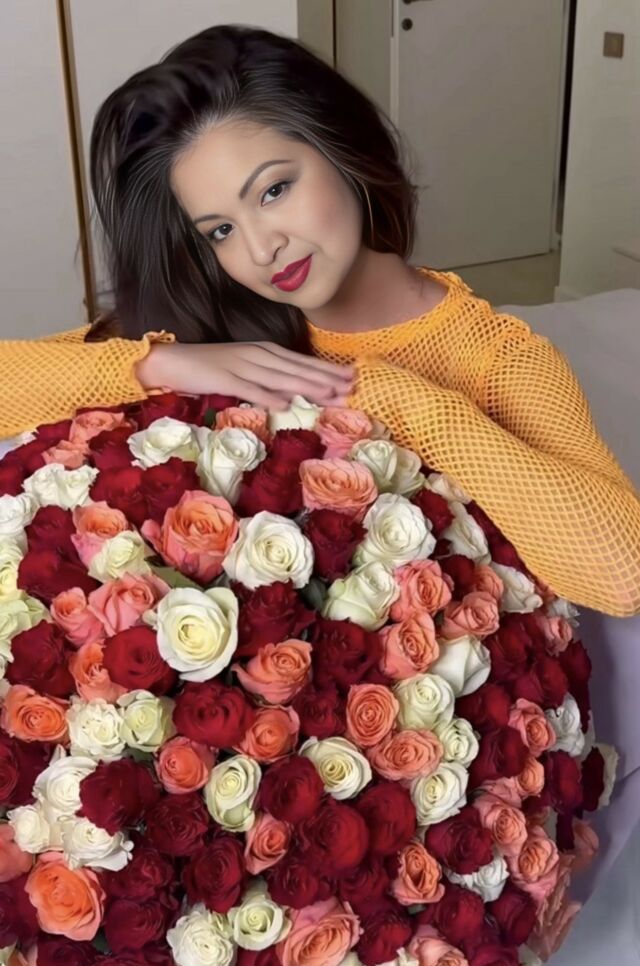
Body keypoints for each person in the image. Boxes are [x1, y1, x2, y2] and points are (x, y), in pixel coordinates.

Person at [0, 24, 639, 617]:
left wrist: (390, 396)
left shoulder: (495, 358)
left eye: (274, 190)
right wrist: (159, 363)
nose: (260, 250)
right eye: (221, 230)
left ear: (344, 148)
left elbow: (624, 575)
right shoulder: (218, 328)